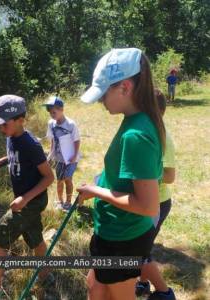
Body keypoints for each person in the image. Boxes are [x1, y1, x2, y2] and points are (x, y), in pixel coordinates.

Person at [77, 48, 176, 300]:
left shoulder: (136, 134)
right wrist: (104, 178)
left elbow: (148, 206)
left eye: (103, 93)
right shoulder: (135, 119)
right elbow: (128, 172)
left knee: (118, 295)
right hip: (113, 230)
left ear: (125, 87)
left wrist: (95, 191)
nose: (101, 101)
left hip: (123, 238)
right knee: (95, 287)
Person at [0, 95, 54, 300]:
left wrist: (25, 199)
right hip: (26, 199)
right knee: (35, 238)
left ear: (21, 120)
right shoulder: (12, 136)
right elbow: (14, 155)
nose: (1, 129)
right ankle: (45, 275)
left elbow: (49, 177)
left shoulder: (31, 145)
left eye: (4, 124)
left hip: (31, 200)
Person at [136, 89, 176, 298]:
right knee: (142, 248)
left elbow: (170, 176)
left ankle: (164, 292)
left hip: (157, 203)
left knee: (140, 250)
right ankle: (143, 283)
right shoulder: (145, 132)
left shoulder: (163, 137)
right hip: (145, 201)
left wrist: (145, 174)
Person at [43, 96, 80, 212]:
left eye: (54, 112)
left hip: (70, 157)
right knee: (59, 180)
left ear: (61, 109)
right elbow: (53, 140)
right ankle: (60, 201)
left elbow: (77, 140)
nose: (52, 114)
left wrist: (74, 155)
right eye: (50, 112)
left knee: (68, 178)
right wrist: (50, 154)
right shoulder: (51, 124)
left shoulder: (71, 124)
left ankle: (68, 202)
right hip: (59, 157)